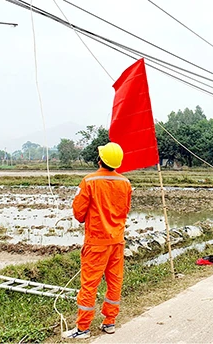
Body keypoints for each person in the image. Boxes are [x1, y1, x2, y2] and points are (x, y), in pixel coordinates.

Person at [63, 142, 132, 339]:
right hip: (117, 241)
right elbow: (125, 210)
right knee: (115, 282)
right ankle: (109, 322)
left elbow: (78, 213)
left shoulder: (89, 181)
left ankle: (83, 328)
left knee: (89, 284)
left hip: (96, 242)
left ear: (100, 159)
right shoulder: (125, 183)